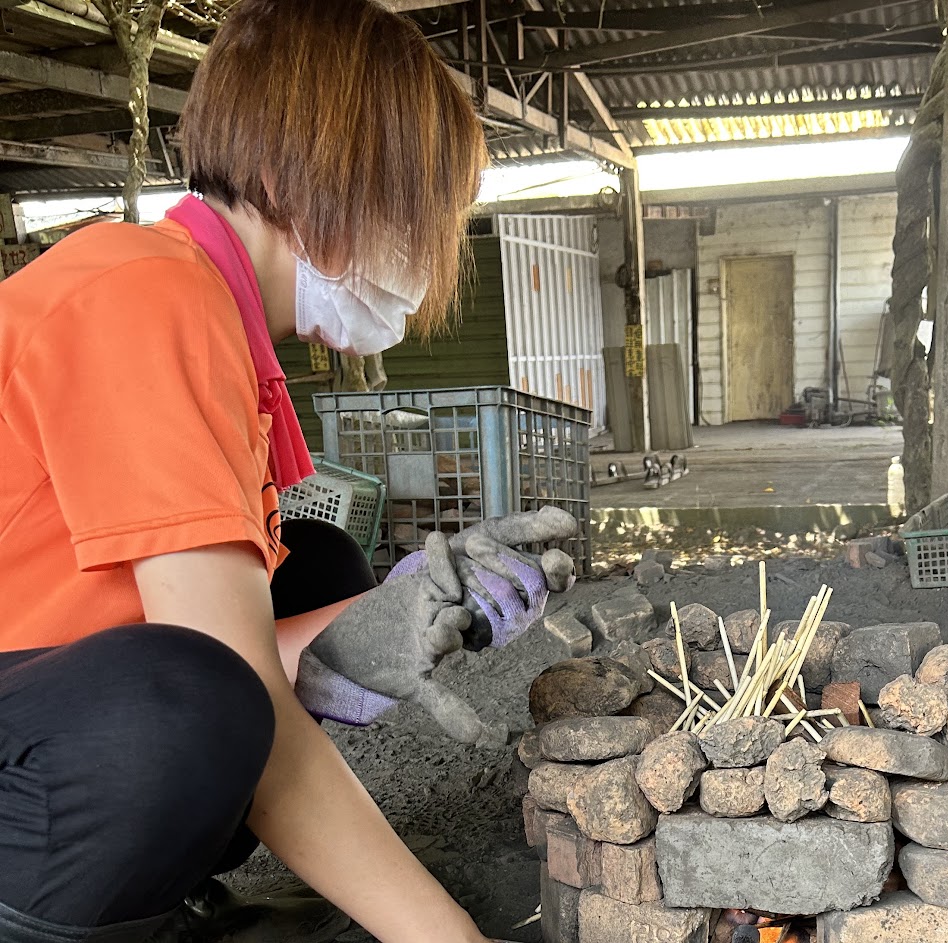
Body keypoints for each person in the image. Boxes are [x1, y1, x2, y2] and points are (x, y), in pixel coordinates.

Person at [0, 1, 575, 941]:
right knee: (194, 700)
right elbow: (226, 683)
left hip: (37, 697)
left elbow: (209, 639)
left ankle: (155, 894)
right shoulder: (145, 294)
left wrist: (383, 620)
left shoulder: (207, 312)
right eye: (404, 205)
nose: (418, 249)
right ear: (286, 178)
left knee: (316, 569)